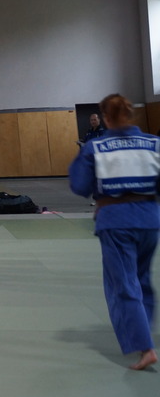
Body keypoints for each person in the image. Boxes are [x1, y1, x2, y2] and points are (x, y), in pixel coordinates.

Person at [69, 93, 159, 371]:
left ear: (105, 118)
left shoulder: (96, 147)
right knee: (142, 278)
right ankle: (142, 328)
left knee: (123, 284)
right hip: (149, 219)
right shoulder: (154, 144)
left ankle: (144, 347)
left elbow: (80, 186)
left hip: (116, 220)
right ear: (130, 115)